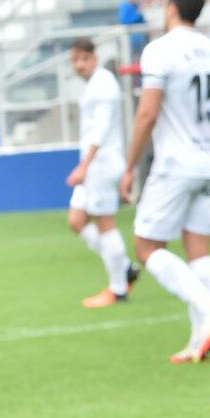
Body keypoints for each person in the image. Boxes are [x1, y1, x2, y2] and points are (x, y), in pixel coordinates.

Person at [120, 0, 210, 364]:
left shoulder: (160, 51)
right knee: (198, 247)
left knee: (147, 246)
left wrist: (130, 166)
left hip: (176, 162)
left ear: (170, 8)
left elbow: (148, 114)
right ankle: (200, 339)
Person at [66, 39, 139, 309]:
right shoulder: (94, 85)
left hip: (102, 164)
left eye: (84, 59)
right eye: (75, 60)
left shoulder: (104, 83)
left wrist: (85, 165)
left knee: (104, 223)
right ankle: (125, 267)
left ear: (94, 58)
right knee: (76, 220)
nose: (79, 65)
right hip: (93, 164)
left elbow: (102, 128)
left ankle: (118, 288)